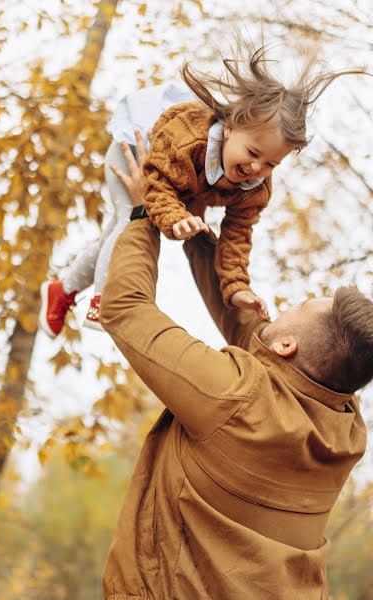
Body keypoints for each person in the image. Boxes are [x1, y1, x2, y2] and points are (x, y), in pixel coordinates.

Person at [99, 136, 372, 600]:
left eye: (300, 305)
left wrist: (147, 212)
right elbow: (258, 338)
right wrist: (191, 225)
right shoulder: (344, 427)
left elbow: (124, 307)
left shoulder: (234, 398)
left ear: (288, 345)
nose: (277, 310)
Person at [38, 38, 365, 337]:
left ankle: (62, 290)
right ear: (231, 127)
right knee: (130, 222)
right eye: (252, 153)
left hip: (181, 185)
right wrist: (173, 215)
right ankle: (104, 299)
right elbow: (158, 183)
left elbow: (237, 237)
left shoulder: (255, 186)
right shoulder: (187, 137)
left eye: (270, 164)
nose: (256, 169)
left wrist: (237, 286)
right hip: (137, 157)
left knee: (113, 230)